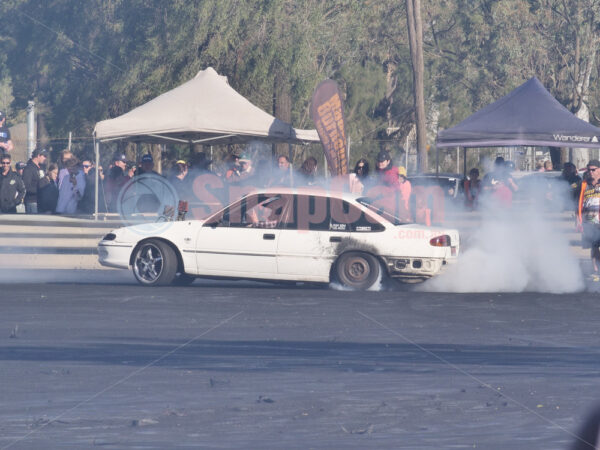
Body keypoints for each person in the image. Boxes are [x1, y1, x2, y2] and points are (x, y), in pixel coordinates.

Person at [576, 159, 600, 279]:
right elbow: (578, 203)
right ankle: (596, 270)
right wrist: (578, 220)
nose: (591, 172)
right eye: (589, 170)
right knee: (594, 246)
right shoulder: (584, 184)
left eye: (593, 170)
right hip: (589, 221)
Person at [22, 148, 48, 213]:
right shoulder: (28, 168)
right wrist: (40, 191)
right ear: (38, 155)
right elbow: (26, 186)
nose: (45, 158)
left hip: (41, 201)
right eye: (44, 156)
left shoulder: (41, 167)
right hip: (32, 201)